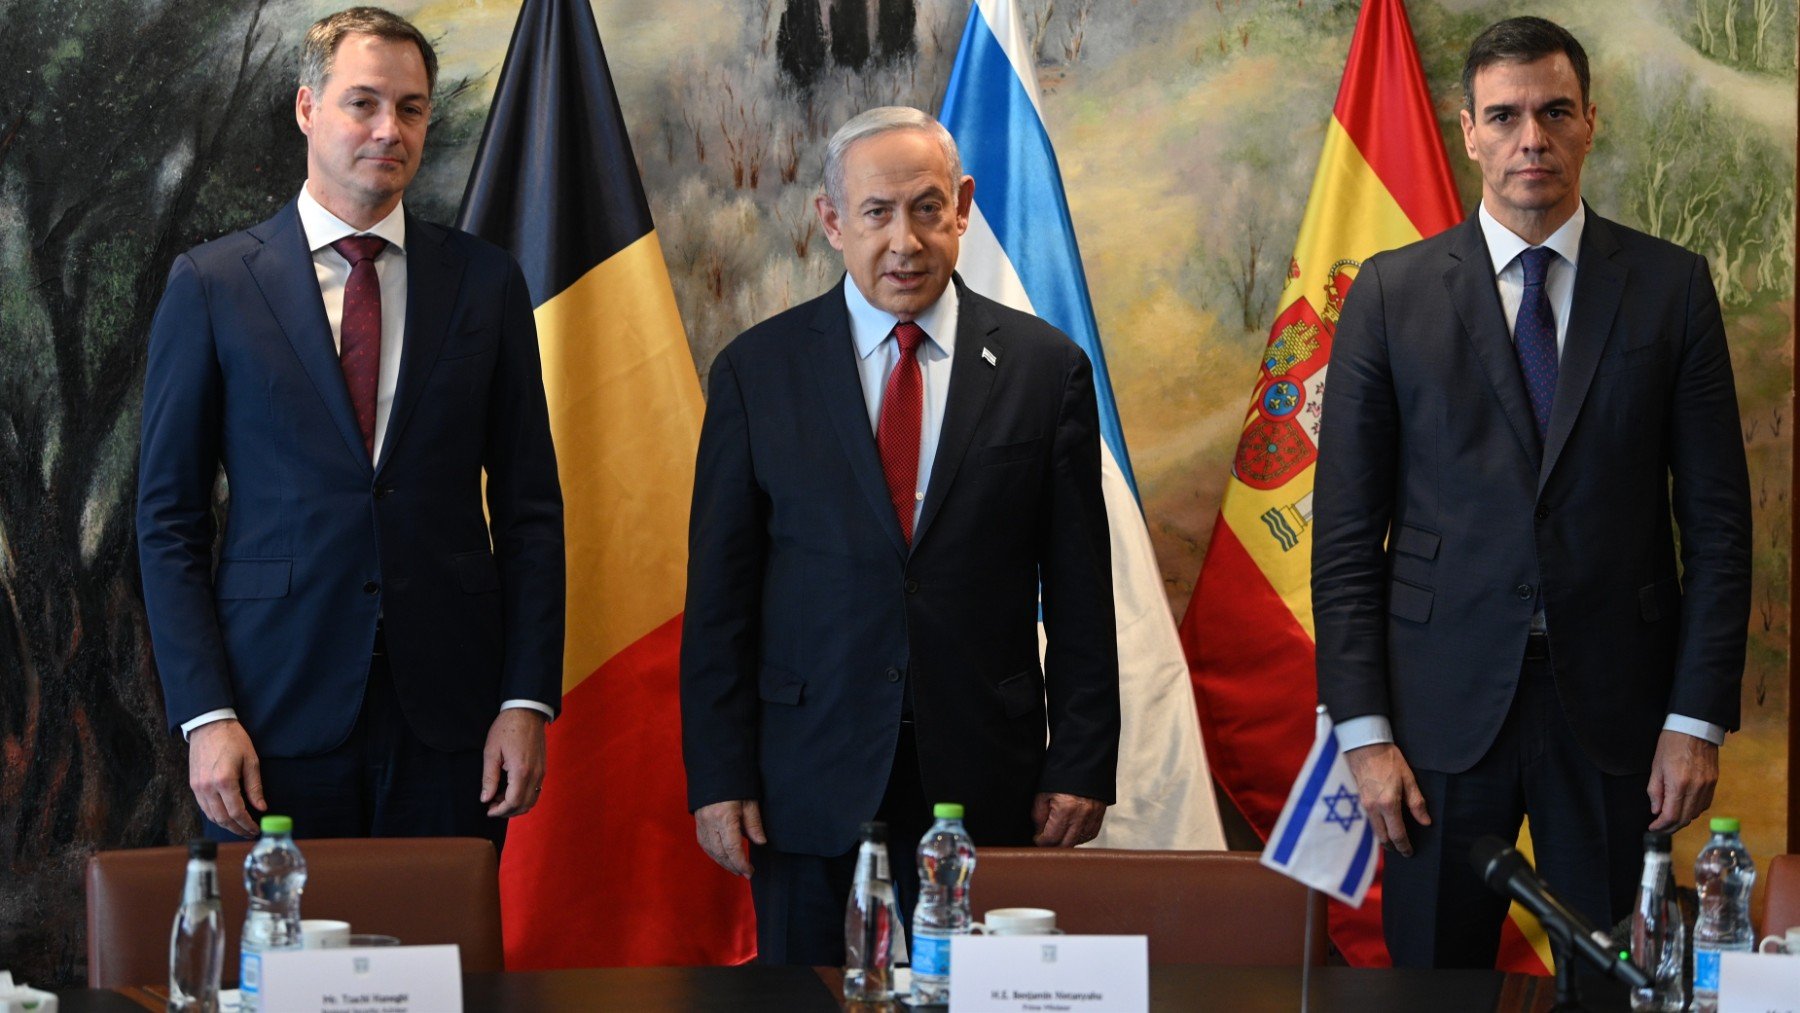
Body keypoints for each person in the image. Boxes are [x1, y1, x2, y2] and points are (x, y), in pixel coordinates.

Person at [1312, 15, 1751, 968]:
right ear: (1467, 129)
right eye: (1504, 116)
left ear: (1591, 120)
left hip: (1620, 717)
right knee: (1432, 984)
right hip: (1433, 721)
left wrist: (1694, 718)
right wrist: (1363, 732)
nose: (1531, 139)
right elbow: (1345, 536)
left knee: (1613, 983)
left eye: (1554, 112)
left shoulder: (1672, 289)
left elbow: (1717, 527)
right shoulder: (1389, 297)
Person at [680, 106, 1121, 965]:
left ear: (961, 206)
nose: (904, 241)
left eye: (926, 208)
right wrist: (719, 773)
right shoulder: (756, 371)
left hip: (986, 780)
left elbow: (1079, 588)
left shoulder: (1045, 368)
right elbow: (720, 599)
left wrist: (1082, 759)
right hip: (807, 776)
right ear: (832, 221)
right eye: (877, 213)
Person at [136, 7, 564, 847]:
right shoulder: (214, 283)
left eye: (409, 108)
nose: (387, 129)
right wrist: (204, 714)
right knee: (278, 971)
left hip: (454, 723)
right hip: (267, 717)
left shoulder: (486, 283)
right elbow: (167, 522)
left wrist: (525, 700)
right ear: (307, 108)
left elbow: (530, 511)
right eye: (362, 103)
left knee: (448, 974)